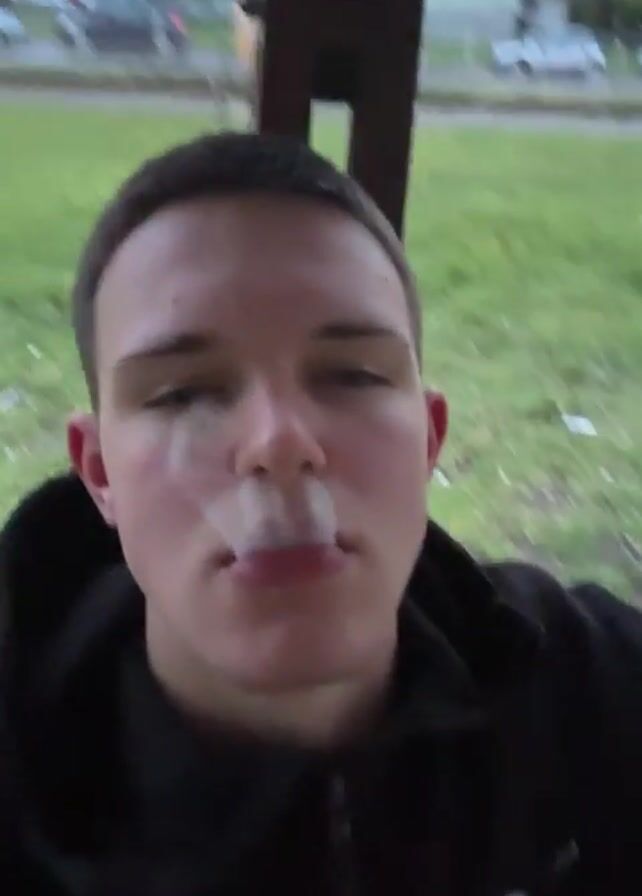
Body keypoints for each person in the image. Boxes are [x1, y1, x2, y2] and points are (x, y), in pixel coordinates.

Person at [1, 132, 641, 896]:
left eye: (353, 375)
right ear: (100, 471)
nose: (278, 443)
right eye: (183, 393)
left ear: (428, 439)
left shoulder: (592, 688)